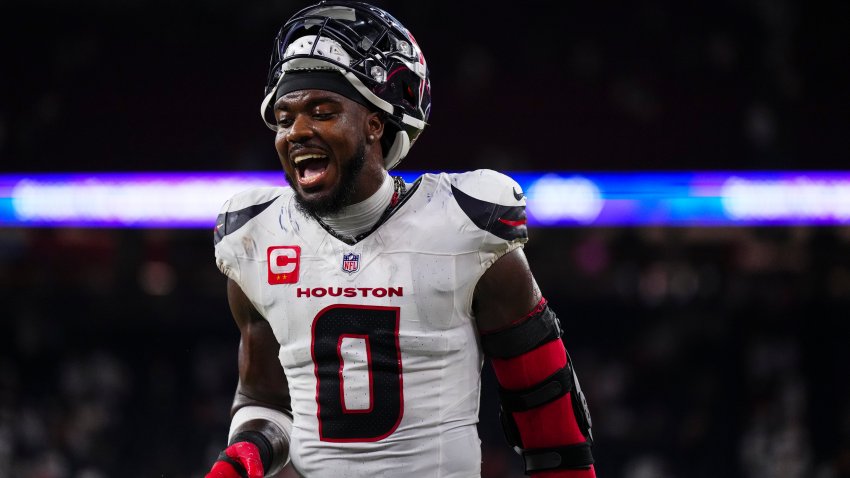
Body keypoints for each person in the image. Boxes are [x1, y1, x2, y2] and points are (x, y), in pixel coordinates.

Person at [206, 2, 595, 477]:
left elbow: (543, 402)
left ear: (375, 123)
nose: (298, 132)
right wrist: (240, 462)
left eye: (322, 112)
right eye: (285, 119)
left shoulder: (462, 225)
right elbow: (264, 403)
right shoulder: (256, 237)